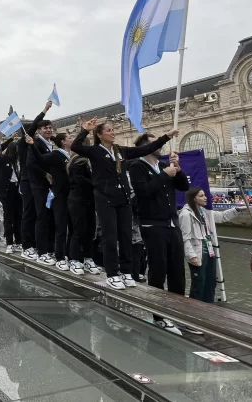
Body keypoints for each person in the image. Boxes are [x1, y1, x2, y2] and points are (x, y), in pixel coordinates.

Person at [71, 117, 177, 290]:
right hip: (105, 198)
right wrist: (85, 130)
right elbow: (76, 147)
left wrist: (166, 137)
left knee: (126, 236)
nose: (113, 133)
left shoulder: (120, 151)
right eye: (108, 130)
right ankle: (112, 274)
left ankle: (126, 271)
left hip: (124, 198)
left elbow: (145, 149)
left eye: (113, 130)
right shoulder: (95, 151)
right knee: (110, 237)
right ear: (99, 134)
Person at [129, 134, 190, 335]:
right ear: (146, 147)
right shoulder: (137, 166)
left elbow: (184, 186)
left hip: (172, 223)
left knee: (177, 271)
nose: (160, 145)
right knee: (158, 269)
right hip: (151, 224)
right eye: (156, 142)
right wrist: (165, 175)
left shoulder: (164, 164)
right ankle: (158, 316)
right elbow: (143, 191)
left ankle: (178, 313)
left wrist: (177, 168)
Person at [179, 187, 241, 303]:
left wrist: (237, 210)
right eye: (201, 196)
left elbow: (222, 217)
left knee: (211, 280)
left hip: (209, 249)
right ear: (193, 198)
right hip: (198, 250)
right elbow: (184, 238)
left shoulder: (205, 211)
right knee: (199, 280)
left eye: (204, 195)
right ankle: (194, 308)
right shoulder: (186, 215)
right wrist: (192, 256)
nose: (205, 198)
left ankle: (209, 305)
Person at [27, 132, 73, 271]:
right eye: (70, 137)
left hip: (70, 194)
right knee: (60, 225)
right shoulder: (55, 154)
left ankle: (69, 254)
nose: (73, 139)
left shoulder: (72, 155)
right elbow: (39, 160)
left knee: (71, 226)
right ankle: (58, 255)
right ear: (64, 142)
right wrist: (32, 145)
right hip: (58, 194)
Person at [16, 101, 53, 261]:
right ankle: (27, 246)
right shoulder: (24, 142)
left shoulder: (46, 143)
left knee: (37, 214)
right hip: (27, 180)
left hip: (36, 181)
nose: (49, 130)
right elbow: (33, 126)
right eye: (45, 128)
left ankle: (35, 245)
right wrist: (44, 110)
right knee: (29, 213)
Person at [66, 145, 100, 275]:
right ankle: (74, 259)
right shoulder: (77, 162)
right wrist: (96, 182)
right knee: (78, 230)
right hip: (77, 200)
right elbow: (79, 180)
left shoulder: (86, 161)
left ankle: (88, 258)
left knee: (90, 231)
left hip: (89, 200)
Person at [26, 120, 56, 265]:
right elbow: (30, 164)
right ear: (39, 130)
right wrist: (46, 175)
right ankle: (41, 251)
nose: (49, 130)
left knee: (49, 217)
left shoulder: (50, 144)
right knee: (42, 217)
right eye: (46, 128)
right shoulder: (36, 144)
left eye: (50, 128)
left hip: (49, 186)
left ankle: (49, 249)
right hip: (39, 185)